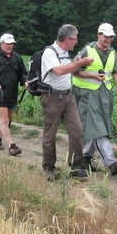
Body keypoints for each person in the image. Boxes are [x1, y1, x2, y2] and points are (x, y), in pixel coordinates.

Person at [40, 24, 95, 180]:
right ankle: (49, 167)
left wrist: (77, 63)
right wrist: (78, 63)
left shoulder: (65, 53)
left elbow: (68, 69)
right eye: (75, 39)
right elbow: (58, 71)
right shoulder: (49, 53)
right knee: (50, 134)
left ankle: (76, 165)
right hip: (51, 97)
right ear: (67, 39)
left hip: (68, 97)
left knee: (77, 130)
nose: (76, 42)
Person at [72, 23, 117, 176]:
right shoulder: (87, 50)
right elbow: (74, 70)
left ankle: (85, 157)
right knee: (97, 128)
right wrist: (92, 76)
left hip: (105, 95)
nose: (108, 39)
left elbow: (116, 72)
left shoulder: (112, 53)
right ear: (98, 35)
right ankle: (110, 162)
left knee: (96, 127)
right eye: (105, 36)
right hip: (87, 94)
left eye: (111, 37)